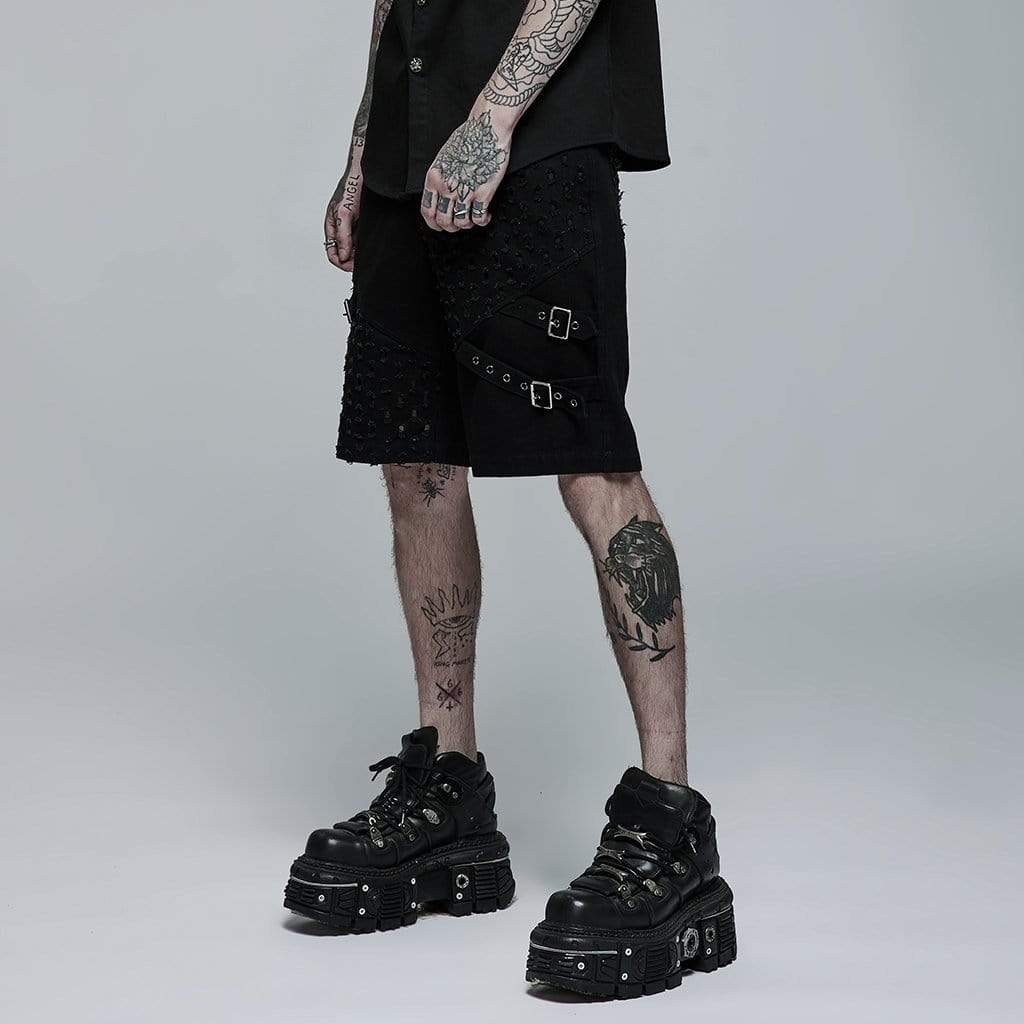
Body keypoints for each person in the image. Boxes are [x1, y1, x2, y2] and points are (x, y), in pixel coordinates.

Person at [284, 1, 736, 999]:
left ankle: (671, 821)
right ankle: (448, 789)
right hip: (412, 146)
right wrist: (363, 152)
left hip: (535, 140)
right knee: (416, 460)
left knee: (592, 461)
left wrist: (492, 116)